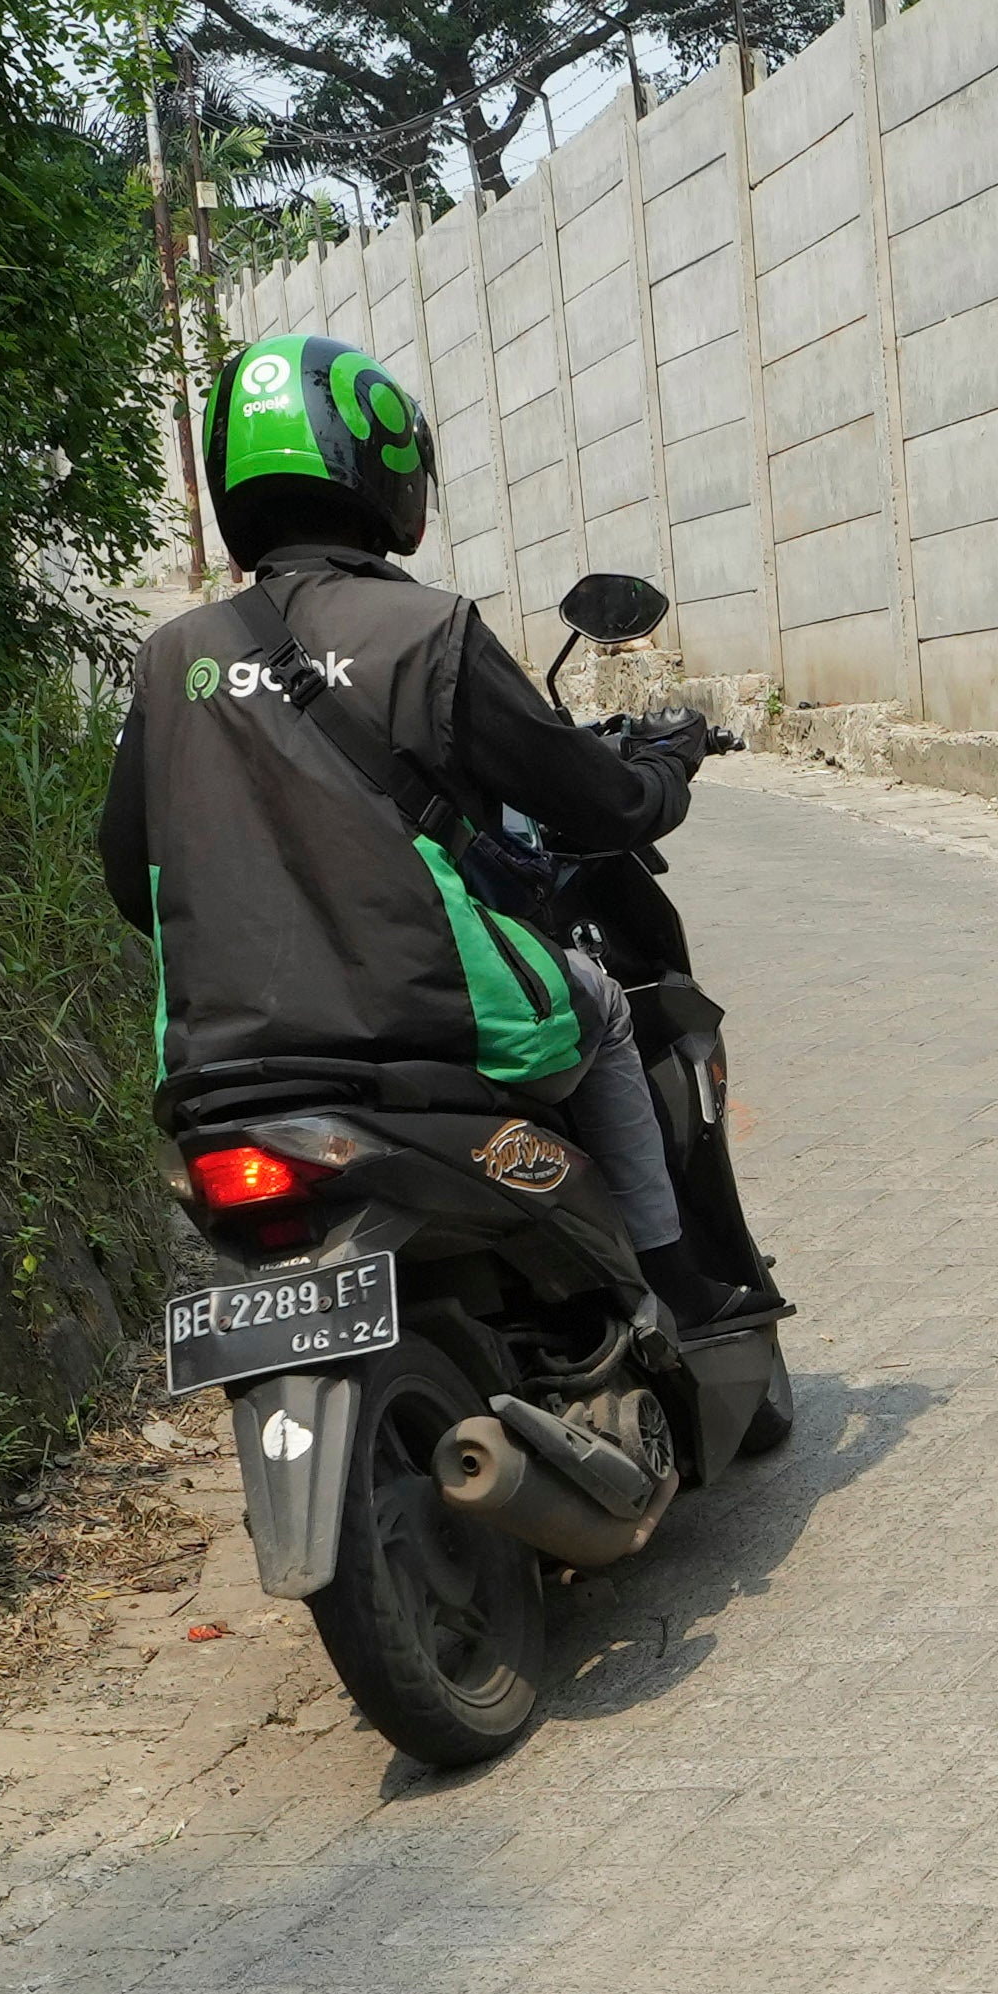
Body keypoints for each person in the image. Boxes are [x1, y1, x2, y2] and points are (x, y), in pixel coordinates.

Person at [102, 331, 750, 1328]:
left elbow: (124, 868)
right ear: (382, 469)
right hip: (432, 1021)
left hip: (216, 1063)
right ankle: (672, 1282)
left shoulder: (170, 659)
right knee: (610, 1016)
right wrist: (668, 760)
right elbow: (602, 804)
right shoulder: (427, 630)